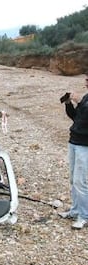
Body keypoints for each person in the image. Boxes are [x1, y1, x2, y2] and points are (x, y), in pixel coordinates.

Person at [58, 72, 88, 229]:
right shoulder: (86, 98)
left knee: (80, 181)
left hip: (85, 146)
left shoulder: (85, 100)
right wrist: (69, 103)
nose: (86, 82)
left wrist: (80, 101)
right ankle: (75, 210)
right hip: (74, 142)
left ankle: (84, 215)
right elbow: (76, 118)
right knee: (73, 179)